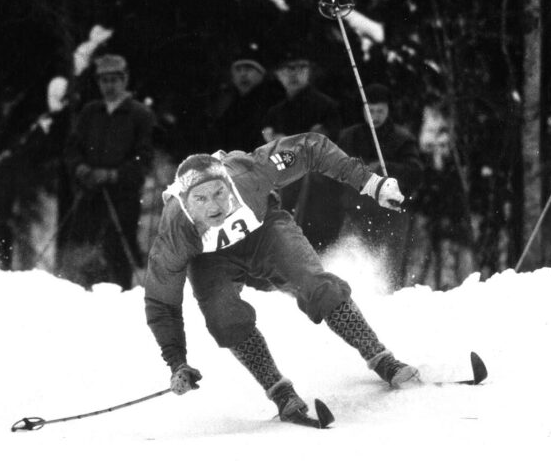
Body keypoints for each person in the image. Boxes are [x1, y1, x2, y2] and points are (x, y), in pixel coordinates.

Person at [144, 132, 419, 425]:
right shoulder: (175, 229)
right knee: (223, 318)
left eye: (219, 194)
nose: (214, 207)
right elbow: (162, 302)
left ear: (228, 183)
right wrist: (177, 362)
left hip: (265, 232)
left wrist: (372, 183)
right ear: (186, 202)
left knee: (316, 285)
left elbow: (312, 148)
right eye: (201, 199)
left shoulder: (248, 173)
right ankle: (280, 392)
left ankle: (381, 358)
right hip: (212, 261)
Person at [62, 54, 154, 290]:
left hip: (123, 197)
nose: (109, 86)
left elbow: (143, 159)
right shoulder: (90, 112)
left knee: (117, 252)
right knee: (84, 250)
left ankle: (118, 302)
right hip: (90, 194)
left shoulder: (139, 114)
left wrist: (114, 175)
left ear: (125, 80)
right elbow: (73, 149)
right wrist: (81, 169)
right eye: (104, 80)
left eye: (114, 80)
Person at [338, 84, 424, 289]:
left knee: (388, 271)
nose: (375, 116)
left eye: (380, 111)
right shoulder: (349, 136)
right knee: (350, 262)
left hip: (391, 215)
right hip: (355, 212)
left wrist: (387, 169)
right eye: (370, 111)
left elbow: (416, 173)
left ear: (388, 111)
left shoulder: (402, 138)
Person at [261, 51, 343, 251]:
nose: (294, 74)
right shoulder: (274, 113)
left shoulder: (327, 107)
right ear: (278, 74)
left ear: (308, 71)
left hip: (318, 191)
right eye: (289, 69)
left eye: (301, 68)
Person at [208, 43, 284, 153]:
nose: (243, 74)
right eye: (238, 69)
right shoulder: (230, 107)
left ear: (261, 74)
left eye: (248, 69)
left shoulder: (274, 103)